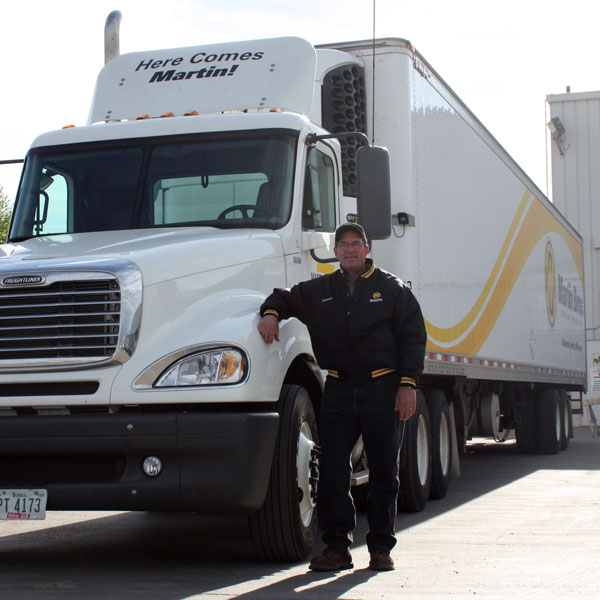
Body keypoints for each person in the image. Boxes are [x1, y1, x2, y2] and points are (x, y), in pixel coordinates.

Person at [258, 222, 427, 571]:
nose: (350, 250)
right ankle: (337, 548)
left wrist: (407, 384)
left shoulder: (392, 290)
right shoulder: (321, 290)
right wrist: (270, 313)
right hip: (337, 390)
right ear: (335, 252)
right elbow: (282, 296)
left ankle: (381, 548)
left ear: (367, 249)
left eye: (356, 244)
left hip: (383, 389)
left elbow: (413, 337)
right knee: (333, 470)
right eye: (343, 245)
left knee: (384, 473)